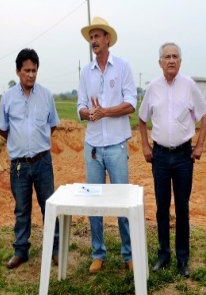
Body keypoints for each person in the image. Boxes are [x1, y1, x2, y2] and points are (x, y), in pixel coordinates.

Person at [138, 42, 206, 278]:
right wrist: (145, 145)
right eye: (166, 57)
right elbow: (141, 119)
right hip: (159, 156)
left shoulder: (189, 85)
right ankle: (163, 254)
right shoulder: (153, 87)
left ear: (180, 61)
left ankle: (182, 258)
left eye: (175, 56)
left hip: (182, 156)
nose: (171, 60)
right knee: (161, 207)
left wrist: (199, 144)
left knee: (182, 207)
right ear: (159, 62)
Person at [77, 17, 137, 273]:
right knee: (94, 202)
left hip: (116, 145)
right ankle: (98, 253)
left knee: (123, 201)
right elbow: (80, 107)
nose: (94, 41)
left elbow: (131, 103)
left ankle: (129, 254)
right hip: (93, 146)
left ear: (107, 40)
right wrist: (88, 113)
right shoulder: (85, 72)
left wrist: (105, 112)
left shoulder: (122, 67)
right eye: (91, 37)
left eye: (98, 36)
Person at [0, 48, 60, 269]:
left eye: (34, 70)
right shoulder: (7, 97)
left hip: (43, 162)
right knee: (22, 209)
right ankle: (21, 251)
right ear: (18, 71)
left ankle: (55, 248)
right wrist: (19, 144)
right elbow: (2, 129)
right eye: (26, 70)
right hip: (19, 165)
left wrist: (37, 144)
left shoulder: (46, 95)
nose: (31, 75)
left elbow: (52, 125)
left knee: (48, 207)